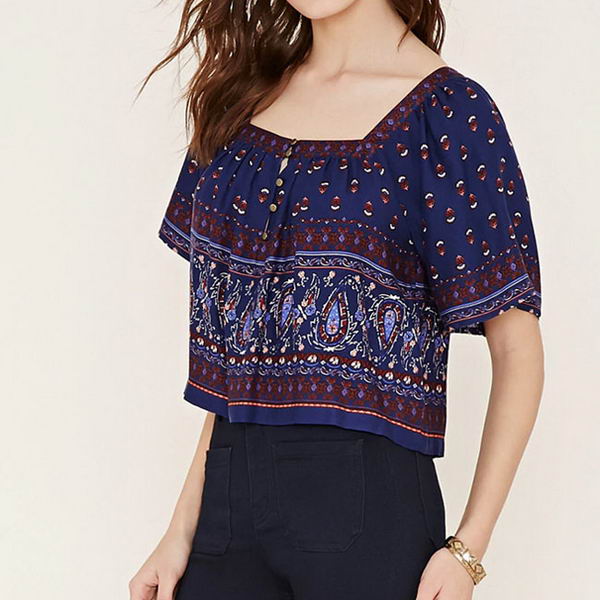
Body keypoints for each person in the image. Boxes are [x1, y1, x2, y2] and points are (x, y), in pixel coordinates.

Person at [130, 1, 544, 599]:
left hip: (369, 511)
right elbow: (236, 362)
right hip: (227, 504)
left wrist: (467, 551)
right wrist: (181, 529)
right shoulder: (245, 98)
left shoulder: (447, 114)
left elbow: (518, 349)